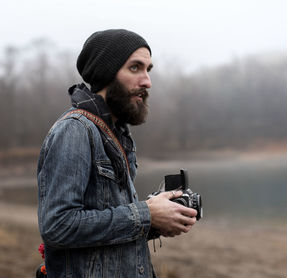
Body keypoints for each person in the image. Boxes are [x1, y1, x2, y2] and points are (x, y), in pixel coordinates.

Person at [37, 29, 197, 278]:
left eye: (148, 69)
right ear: (106, 74)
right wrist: (147, 214)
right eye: (135, 68)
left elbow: (105, 229)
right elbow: (58, 226)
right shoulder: (75, 130)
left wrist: (157, 220)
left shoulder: (115, 133)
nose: (147, 81)